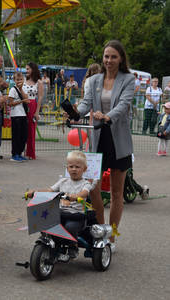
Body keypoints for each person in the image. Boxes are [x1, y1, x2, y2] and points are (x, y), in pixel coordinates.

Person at [76, 40, 135, 251]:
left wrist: (106, 116)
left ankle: (112, 237)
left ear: (121, 59)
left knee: (117, 192)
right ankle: (100, 229)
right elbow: (86, 103)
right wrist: (74, 113)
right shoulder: (93, 80)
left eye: (113, 57)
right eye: (106, 56)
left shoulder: (128, 79)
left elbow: (123, 105)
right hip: (97, 139)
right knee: (93, 188)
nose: (109, 61)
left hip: (118, 140)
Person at [26, 151, 93, 258]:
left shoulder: (85, 183)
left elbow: (85, 192)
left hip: (76, 216)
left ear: (84, 169)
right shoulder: (63, 181)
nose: (74, 169)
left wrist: (75, 196)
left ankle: (73, 246)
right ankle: (52, 246)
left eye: (77, 167)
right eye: (71, 166)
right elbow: (49, 190)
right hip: (60, 213)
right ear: (67, 168)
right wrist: (35, 193)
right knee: (47, 225)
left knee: (69, 227)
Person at [22, 62, 44, 160]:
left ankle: (30, 152)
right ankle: (21, 151)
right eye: (26, 69)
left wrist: (37, 112)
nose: (26, 71)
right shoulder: (23, 81)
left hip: (32, 106)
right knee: (22, 129)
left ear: (33, 69)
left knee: (31, 129)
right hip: (22, 105)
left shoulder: (39, 82)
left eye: (28, 69)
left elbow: (40, 97)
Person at [8, 72, 30, 162]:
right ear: (14, 80)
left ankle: (20, 153)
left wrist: (21, 90)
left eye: (21, 79)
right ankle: (14, 154)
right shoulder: (12, 90)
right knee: (16, 135)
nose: (19, 81)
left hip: (23, 114)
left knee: (23, 135)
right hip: (15, 115)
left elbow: (26, 99)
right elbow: (10, 103)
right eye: (17, 80)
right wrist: (21, 101)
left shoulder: (23, 89)